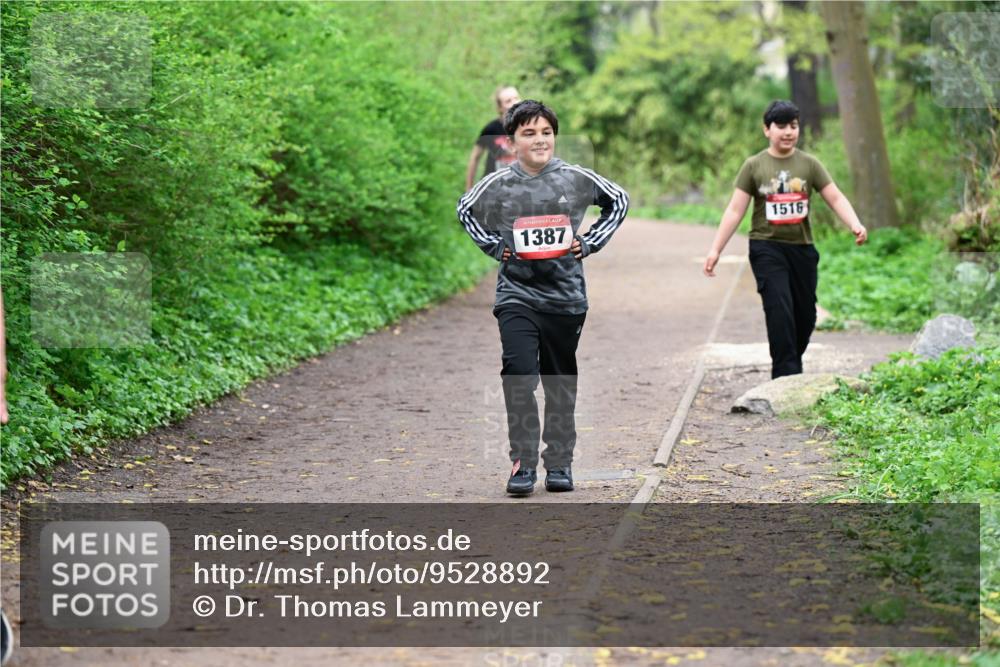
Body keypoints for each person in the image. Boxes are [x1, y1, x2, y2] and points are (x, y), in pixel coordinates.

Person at [457, 100, 629, 495]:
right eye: (529, 133)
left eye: (546, 132)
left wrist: (589, 243)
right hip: (516, 293)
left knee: (558, 381)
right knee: (518, 374)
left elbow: (618, 200)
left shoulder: (574, 177)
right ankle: (523, 463)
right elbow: (465, 209)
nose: (539, 140)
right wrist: (493, 247)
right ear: (512, 141)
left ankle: (560, 462)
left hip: (565, 298)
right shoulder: (499, 183)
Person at [703, 100, 868, 379]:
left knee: (806, 316)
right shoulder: (754, 166)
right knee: (779, 309)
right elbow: (734, 209)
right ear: (767, 129)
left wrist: (854, 223)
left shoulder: (809, 164)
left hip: (802, 249)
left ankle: (791, 363)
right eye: (781, 126)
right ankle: (785, 376)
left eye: (793, 126)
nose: (789, 132)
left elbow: (835, 196)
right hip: (766, 247)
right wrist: (715, 249)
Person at [465, 85, 521, 191]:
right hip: (493, 187)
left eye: (516, 98)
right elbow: (475, 158)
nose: (515, 103)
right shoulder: (491, 129)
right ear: (500, 107)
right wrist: (468, 188)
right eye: (508, 101)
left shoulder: (529, 128)